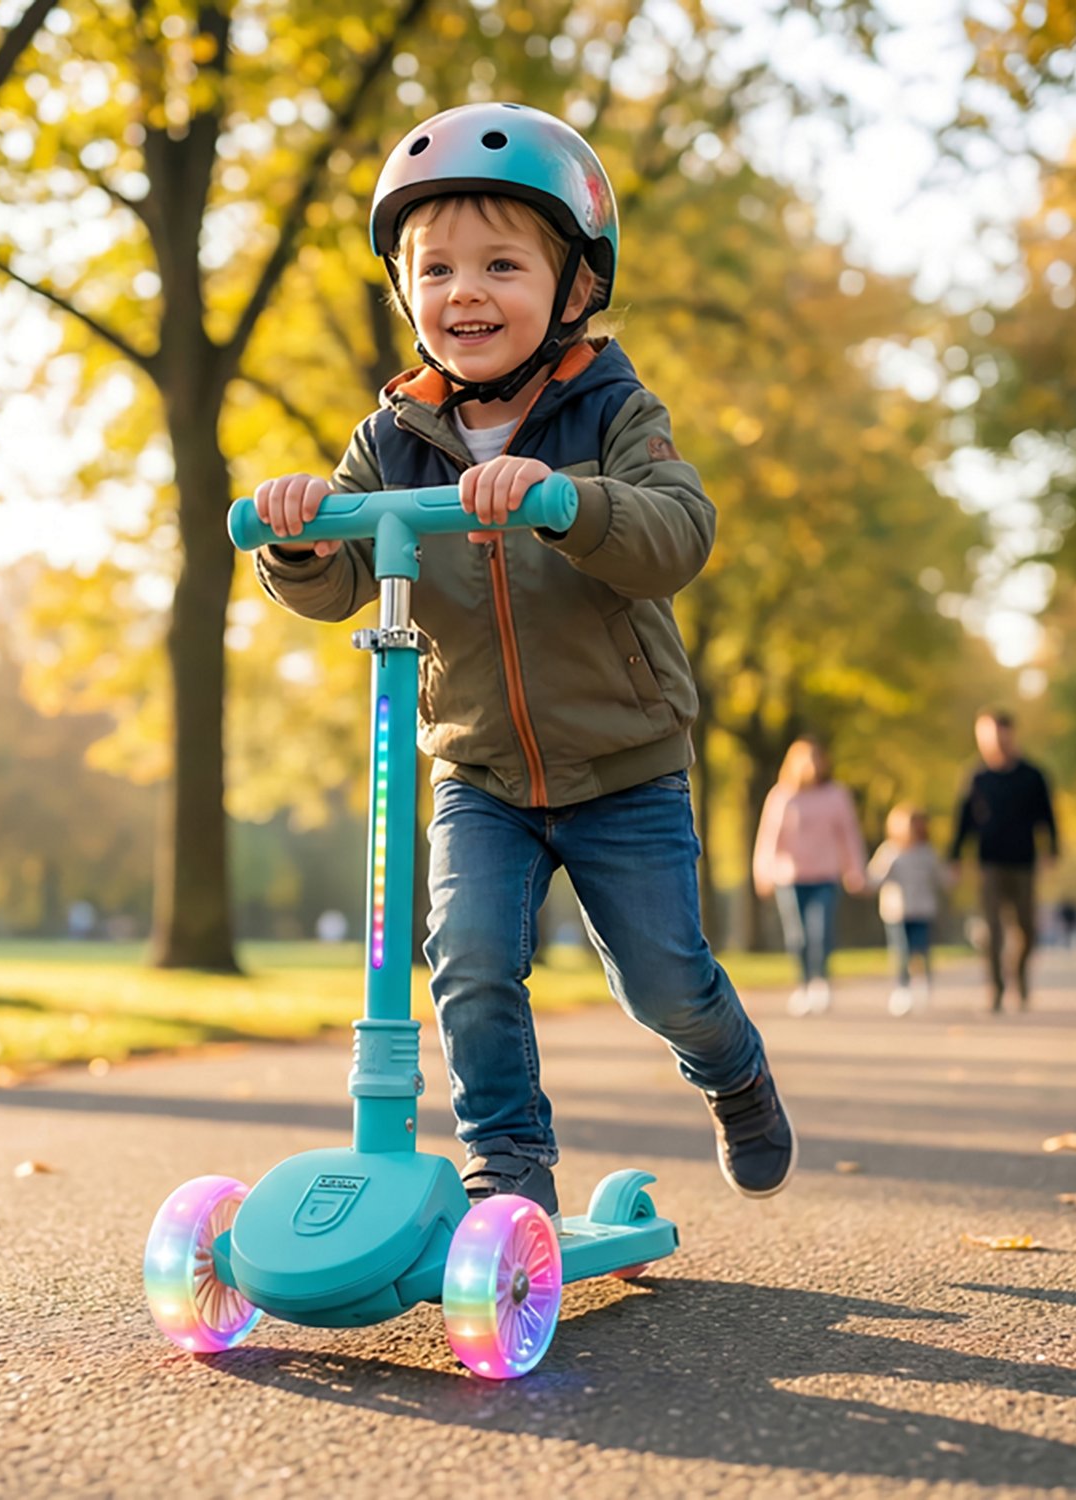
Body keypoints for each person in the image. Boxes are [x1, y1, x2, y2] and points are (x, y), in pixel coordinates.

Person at [248, 103, 794, 1215]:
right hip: (479, 773)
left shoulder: (612, 410)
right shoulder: (391, 436)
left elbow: (676, 535)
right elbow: (340, 576)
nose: (466, 293)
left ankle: (731, 1068)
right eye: (436, 267)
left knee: (664, 984)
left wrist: (565, 500)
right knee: (470, 964)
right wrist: (302, 537)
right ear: (407, 293)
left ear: (574, 288)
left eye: (502, 264)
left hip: (624, 768)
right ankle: (509, 1160)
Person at [948, 708, 1059, 1012]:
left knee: (1027, 929)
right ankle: (996, 989)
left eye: (1000, 733)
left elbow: (1047, 816)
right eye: (987, 735)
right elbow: (964, 820)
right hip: (989, 863)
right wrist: (955, 855)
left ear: (1011, 734)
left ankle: (1019, 978)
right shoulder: (976, 776)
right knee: (992, 929)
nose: (995, 740)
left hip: (1024, 861)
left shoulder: (1033, 776)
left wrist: (1052, 849)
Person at [752, 738, 866, 1015]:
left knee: (821, 931)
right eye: (807, 759)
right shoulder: (782, 795)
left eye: (817, 758)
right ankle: (803, 984)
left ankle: (821, 983)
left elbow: (849, 834)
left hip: (825, 875)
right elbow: (768, 837)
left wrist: (855, 869)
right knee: (797, 936)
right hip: (790, 878)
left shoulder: (836, 795)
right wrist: (762, 872)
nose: (813, 765)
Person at [866, 805, 948, 1015]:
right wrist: (865, 884)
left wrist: (953, 877)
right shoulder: (889, 851)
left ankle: (923, 983)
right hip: (897, 911)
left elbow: (941, 876)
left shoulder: (928, 852)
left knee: (921, 950)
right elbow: (876, 877)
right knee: (901, 952)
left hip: (923, 910)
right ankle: (902, 988)